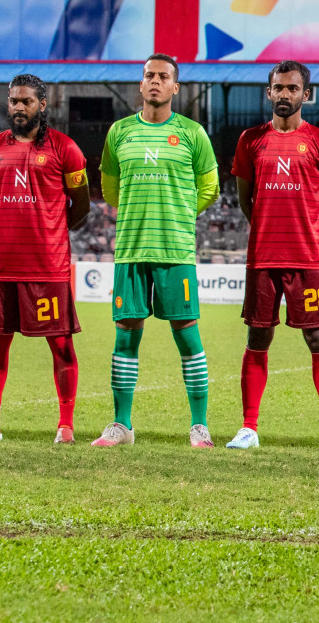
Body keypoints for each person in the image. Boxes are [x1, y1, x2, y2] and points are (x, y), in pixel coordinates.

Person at [91, 54, 221, 448]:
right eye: (149, 75)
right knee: (126, 336)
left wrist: (180, 214)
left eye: (163, 76)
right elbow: (110, 189)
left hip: (175, 250)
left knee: (187, 335)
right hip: (130, 249)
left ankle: (199, 425)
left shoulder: (192, 134)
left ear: (175, 87)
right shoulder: (120, 132)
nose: (155, 82)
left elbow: (210, 188)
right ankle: (121, 425)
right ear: (141, 83)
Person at [225, 61, 319, 452]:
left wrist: (313, 232)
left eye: (292, 89)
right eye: (278, 88)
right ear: (268, 92)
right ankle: (248, 427)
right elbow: (246, 198)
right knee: (258, 336)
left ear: (306, 95)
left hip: (307, 259)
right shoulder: (250, 140)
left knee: (318, 337)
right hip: (262, 257)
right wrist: (266, 227)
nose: (284, 95)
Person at [0, 75, 89, 444]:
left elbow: (81, 205)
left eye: (26, 101)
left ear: (43, 104)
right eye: (13, 101)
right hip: (4, 264)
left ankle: (65, 426)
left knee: (60, 344)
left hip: (48, 267)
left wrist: (50, 229)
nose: (18, 108)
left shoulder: (65, 148)